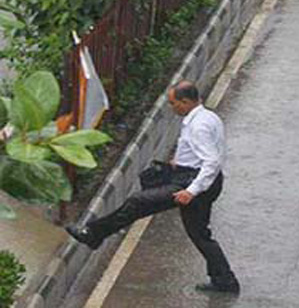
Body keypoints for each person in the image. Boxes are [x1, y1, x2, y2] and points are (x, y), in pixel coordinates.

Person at [65, 81, 240, 293]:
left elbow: (211, 161)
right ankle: (225, 280)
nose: (171, 107)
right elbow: (208, 151)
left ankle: (93, 234)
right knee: (200, 234)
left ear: (185, 102)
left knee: (137, 202)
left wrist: (191, 191)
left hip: (193, 183)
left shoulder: (199, 126)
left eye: (173, 103)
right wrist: (180, 160)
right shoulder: (207, 117)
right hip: (195, 178)